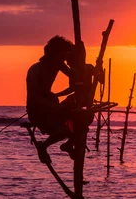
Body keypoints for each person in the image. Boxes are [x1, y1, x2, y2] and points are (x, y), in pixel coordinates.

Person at [26, 36, 93, 164]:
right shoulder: (38, 69)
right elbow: (34, 98)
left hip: (51, 106)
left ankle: (69, 144)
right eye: (64, 54)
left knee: (86, 116)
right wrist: (56, 106)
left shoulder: (58, 63)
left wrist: (82, 59)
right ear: (55, 53)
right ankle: (43, 147)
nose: (65, 58)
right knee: (64, 129)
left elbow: (75, 74)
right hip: (38, 110)